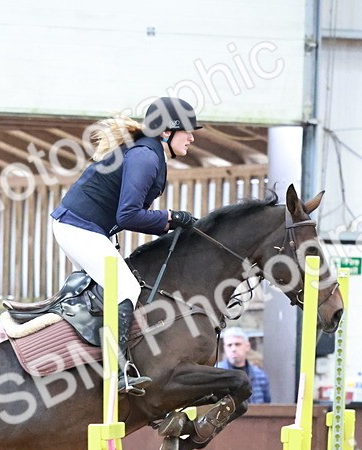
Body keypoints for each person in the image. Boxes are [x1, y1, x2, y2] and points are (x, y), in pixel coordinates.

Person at [49, 96, 202, 396]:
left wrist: (170, 222)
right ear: (166, 132)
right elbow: (128, 215)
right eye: (187, 130)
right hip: (78, 227)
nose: (192, 136)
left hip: (84, 227)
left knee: (114, 288)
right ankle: (116, 370)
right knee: (126, 288)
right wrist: (170, 217)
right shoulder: (146, 156)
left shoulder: (150, 153)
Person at [215, 327, 271, 404]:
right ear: (225, 348)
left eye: (237, 344)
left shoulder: (260, 375)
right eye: (229, 345)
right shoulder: (217, 373)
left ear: (247, 346)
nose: (233, 349)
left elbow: (267, 406)